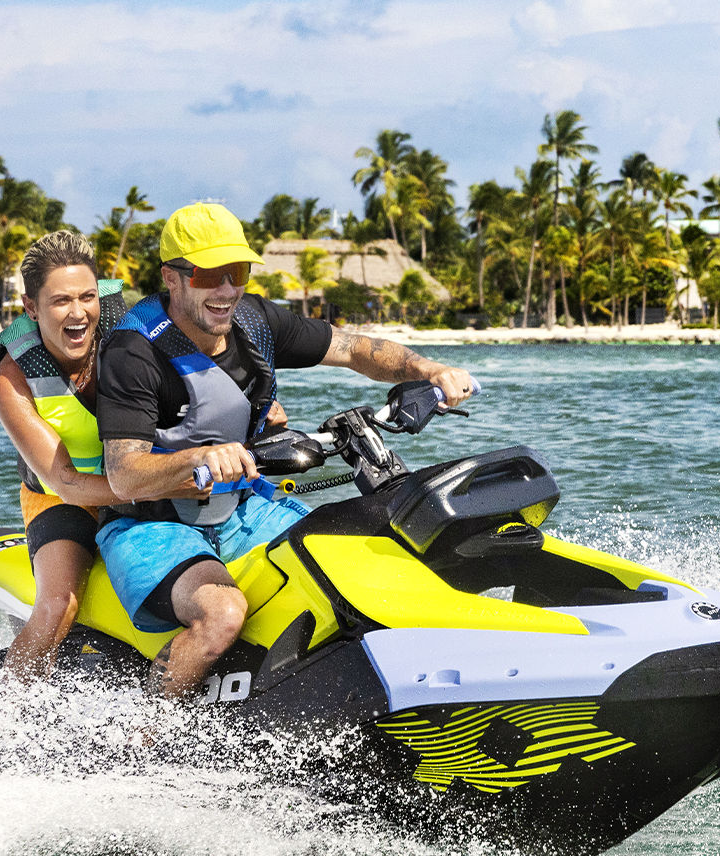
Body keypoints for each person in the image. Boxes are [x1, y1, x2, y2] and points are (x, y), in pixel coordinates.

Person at [96, 202, 474, 699]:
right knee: (222, 614)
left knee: (348, 563)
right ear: (173, 277)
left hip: (241, 507)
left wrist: (427, 370)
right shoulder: (133, 353)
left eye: (238, 271)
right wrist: (200, 458)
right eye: (211, 274)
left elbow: (354, 349)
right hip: (153, 523)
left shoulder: (254, 323)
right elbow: (123, 474)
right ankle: (149, 735)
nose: (228, 289)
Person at [0, 231, 133, 681]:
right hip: (62, 498)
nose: (78, 313)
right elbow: (64, 482)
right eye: (60, 301)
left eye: (87, 297)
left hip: (141, 479)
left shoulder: (135, 333)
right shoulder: (12, 383)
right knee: (57, 605)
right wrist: (151, 485)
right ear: (31, 308)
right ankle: (6, 716)